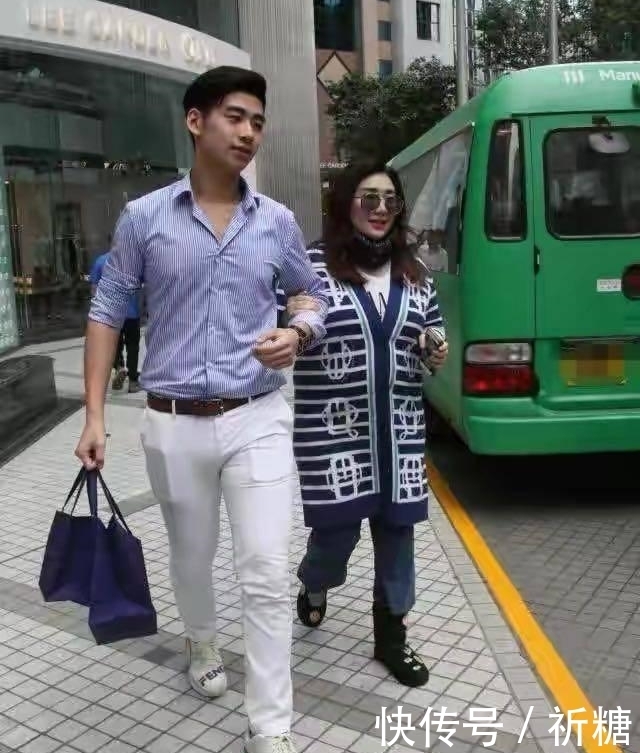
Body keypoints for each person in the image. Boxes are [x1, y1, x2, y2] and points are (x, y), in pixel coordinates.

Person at [75, 66, 328, 753]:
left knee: (267, 569)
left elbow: (309, 292)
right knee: (191, 556)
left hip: (258, 414)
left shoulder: (276, 221)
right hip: (173, 419)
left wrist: (300, 332)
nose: (249, 132)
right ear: (196, 122)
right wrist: (94, 414)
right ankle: (202, 638)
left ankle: (270, 725)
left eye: (258, 122)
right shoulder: (145, 218)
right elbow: (107, 310)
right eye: (235, 117)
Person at [285, 163, 448, 688]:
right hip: (333, 435)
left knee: (398, 535)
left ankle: (392, 637)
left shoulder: (414, 274)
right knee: (335, 536)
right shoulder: (310, 266)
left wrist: (433, 350)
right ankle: (314, 582)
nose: (380, 209)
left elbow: (433, 332)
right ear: (345, 203)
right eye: (368, 197)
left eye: (390, 200)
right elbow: (291, 325)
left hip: (399, 435)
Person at [89, 247, 142, 392]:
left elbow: (94, 289)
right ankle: (133, 382)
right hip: (131, 313)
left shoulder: (100, 261)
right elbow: (141, 285)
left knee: (113, 346)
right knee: (133, 347)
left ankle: (119, 367)